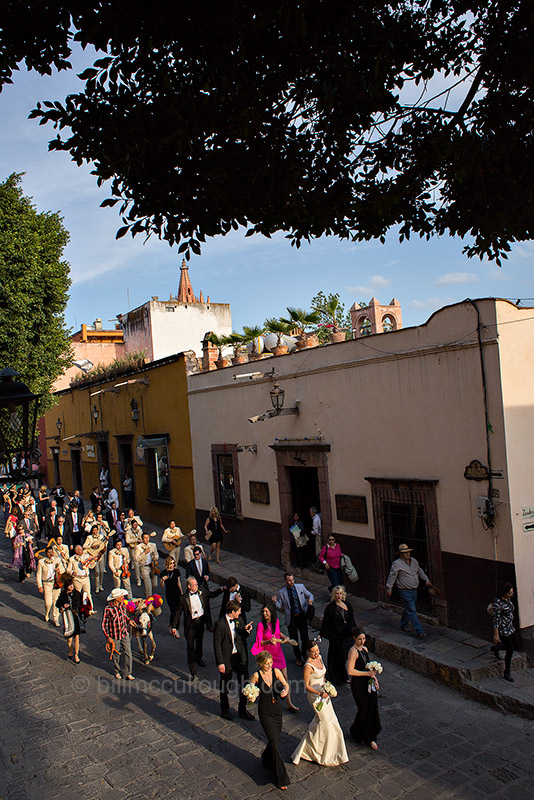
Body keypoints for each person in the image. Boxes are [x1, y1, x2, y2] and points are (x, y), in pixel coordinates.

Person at [291, 639, 349, 767]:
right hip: (315, 695)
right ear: (308, 652)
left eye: (317, 651)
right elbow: (306, 685)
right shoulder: (308, 666)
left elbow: (322, 676)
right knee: (325, 722)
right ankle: (316, 751)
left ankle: (323, 749)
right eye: (313, 652)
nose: (316, 654)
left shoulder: (320, 657)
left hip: (324, 692)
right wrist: (319, 693)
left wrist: (327, 687)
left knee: (330, 721)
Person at [249, 651, 290, 789]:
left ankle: (266, 758)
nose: (269, 665)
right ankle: (282, 778)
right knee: (273, 741)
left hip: (276, 711)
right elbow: (249, 691)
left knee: (276, 740)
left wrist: (285, 691)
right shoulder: (256, 676)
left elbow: (286, 685)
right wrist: (251, 697)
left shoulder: (276, 672)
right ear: (261, 664)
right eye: (267, 664)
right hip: (265, 712)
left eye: (271, 663)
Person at [251, 603, 299, 712]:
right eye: (263, 611)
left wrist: (283, 637)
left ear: (272, 613)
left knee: (285, 678)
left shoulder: (276, 622)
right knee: (268, 680)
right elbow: (259, 641)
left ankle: (289, 702)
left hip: (279, 654)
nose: (264, 614)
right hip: (269, 657)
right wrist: (268, 641)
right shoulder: (261, 626)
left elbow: (277, 633)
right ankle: (266, 699)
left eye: (267, 612)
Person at [213, 599, 254, 720]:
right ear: (232, 611)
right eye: (239, 611)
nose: (240, 613)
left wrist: (246, 630)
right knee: (225, 685)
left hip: (240, 657)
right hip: (227, 658)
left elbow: (242, 636)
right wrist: (220, 662)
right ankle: (224, 710)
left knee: (245, 683)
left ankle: (243, 710)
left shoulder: (239, 620)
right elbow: (217, 644)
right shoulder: (220, 624)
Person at [386, 543, 432, 639]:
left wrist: (426, 580)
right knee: (412, 609)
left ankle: (403, 624)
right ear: (400, 554)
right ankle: (419, 631)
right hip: (404, 590)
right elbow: (392, 576)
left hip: (414, 590)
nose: (407, 554)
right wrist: (389, 588)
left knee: (409, 608)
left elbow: (419, 571)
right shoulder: (397, 564)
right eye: (405, 553)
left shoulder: (414, 561)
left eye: (408, 552)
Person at [171, 576, 212, 679]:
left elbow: (211, 595)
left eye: (197, 584)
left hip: (200, 622)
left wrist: (222, 589)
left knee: (199, 642)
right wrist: (174, 627)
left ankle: (199, 659)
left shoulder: (201, 591)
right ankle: (193, 670)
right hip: (191, 625)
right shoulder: (183, 598)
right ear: (189, 587)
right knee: (190, 647)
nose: (197, 586)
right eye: (194, 585)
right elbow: (177, 613)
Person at [347, 626, 381, 750]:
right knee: (363, 709)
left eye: (364, 639)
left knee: (372, 708)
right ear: (354, 638)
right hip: (358, 685)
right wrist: (367, 674)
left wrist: (374, 679)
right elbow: (350, 670)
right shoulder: (353, 651)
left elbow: (368, 668)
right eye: (359, 639)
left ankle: (370, 736)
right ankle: (357, 732)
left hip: (368, 683)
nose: (362, 642)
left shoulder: (365, 650)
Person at [272, 573, 314, 666]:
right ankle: (298, 657)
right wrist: (275, 602)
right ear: (286, 581)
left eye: (293, 580)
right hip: (291, 618)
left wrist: (310, 601)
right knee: (294, 639)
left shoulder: (300, 587)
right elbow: (280, 605)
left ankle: (304, 653)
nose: (292, 582)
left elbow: (310, 595)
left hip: (301, 616)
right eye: (289, 580)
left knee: (305, 638)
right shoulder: (282, 592)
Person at [320, 585, 356, 686]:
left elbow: (351, 619)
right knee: (337, 656)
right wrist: (322, 634)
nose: (338, 596)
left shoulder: (347, 605)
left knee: (346, 656)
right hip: (337, 637)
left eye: (340, 593)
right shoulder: (330, 608)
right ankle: (339, 676)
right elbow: (326, 622)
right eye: (336, 594)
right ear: (333, 595)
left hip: (347, 636)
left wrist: (355, 632)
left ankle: (343, 674)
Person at [102, 587, 135, 680]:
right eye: (121, 596)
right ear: (116, 598)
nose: (123, 597)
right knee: (116, 653)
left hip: (124, 632)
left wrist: (129, 621)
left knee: (128, 652)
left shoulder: (122, 605)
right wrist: (108, 637)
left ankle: (128, 672)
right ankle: (117, 671)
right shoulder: (108, 609)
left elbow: (124, 615)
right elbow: (105, 624)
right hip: (114, 635)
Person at [491, 582, 518, 683]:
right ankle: (507, 671)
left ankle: (496, 648)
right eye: (510, 593)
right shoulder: (498, 603)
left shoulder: (508, 600)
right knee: (510, 650)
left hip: (510, 627)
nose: (512, 594)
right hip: (503, 629)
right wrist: (496, 634)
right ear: (505, 593)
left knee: (515, 646)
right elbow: (496, 619)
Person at [56, 576, 85, 663]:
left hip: (76, 616)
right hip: (68, 617)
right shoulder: (63, 595)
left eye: (72, 585)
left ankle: (76, 654)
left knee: (77, 636)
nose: (72, 587)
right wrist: (63, 606)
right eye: (70, 585)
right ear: (66, 587)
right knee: (69, 638)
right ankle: (70, 649)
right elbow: (58, 604)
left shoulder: (77, 593)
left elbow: (81, 604)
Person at [36, 545, 61, 625]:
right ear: (46, 553)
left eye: (52, 552)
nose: (51, 554)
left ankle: (56, 618)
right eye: (49, 552)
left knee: (56, 602)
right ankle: (47, 612)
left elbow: (64, 569)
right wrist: (40, 585)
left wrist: (59, 570)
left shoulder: (57, 560)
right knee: (48, 603)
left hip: (56, 583)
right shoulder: (41, 562)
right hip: (46, 583)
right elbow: (38, 574)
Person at [83, 523, 109, 593]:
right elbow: (84, 545)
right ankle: (97, 586)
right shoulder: (89, 537)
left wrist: (106, 540)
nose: (95, 531)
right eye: (94, 530)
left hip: (100, 555)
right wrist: (91, 546)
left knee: (101, 571)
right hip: (94, 556)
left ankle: (100, 585)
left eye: (96, 530)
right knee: (97, 571)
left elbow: (104, 546)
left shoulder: (101, 536)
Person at [68, 544, 94, 611]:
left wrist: (94, 560)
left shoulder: (86, 556)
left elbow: (91, 566)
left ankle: (90, 609)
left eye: (82, 549)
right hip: (77, 579)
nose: (81, 551)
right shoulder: (72, 559)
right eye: (79, 550)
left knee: (87, 593)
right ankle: (77, 608)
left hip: (85, 578)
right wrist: (72, 572)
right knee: (77, 594)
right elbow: (68, 570)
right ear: (76, 551)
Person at [160, 555, 183, 633]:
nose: (172, 565)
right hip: (169, 593)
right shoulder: (164, 572)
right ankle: (173, 627)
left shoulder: (176, 571)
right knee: (173, 610)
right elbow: (161, 586)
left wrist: (181, 591)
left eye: (173, 563)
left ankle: (174, 627)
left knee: (178, 610)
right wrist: (163, 580)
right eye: (171, 563)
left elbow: (179, 582)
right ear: (167, 564)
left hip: (177, 592)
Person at [134, 532, 160, 598]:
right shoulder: (138, 547)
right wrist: (144, 553)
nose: (147, 539)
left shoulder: (153, 545)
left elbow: (156, 554)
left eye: (148, 538)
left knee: (155, 584)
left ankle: (148, 592)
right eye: (145, 538)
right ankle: (149, 600)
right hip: (144, 567)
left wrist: (155, 557)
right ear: (142, 539)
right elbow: (136, 559)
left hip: (153, 566)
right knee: (148, 585)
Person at [124, 514, 143, 586]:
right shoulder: (128, 532)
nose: (135, 526)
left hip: (139, 548)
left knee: (141, 563)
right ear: (131, 525)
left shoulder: (139, 530)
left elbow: (141, 538)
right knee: (136, 563)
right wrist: (136, 540)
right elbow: (127, 541)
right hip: (132, 548)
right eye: (134, 525)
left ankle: (141, 576)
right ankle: (138, 579)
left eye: (136, 524)